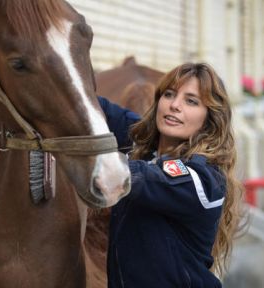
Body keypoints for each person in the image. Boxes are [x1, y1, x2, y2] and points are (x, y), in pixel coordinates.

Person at [98, 62, 244, 287]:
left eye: (191, 101)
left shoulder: (202, 179)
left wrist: (86, 156)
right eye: (169, 94)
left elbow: (141, 176)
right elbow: (99, 110)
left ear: (210, 118)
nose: (175, 105)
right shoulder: (143, 146)